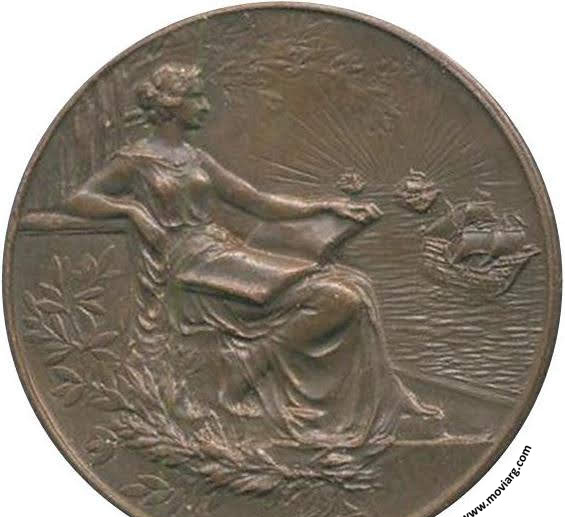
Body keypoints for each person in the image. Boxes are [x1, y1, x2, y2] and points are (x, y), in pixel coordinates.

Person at [65, 62, 441, 450]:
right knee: (338, 298)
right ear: (173, 105)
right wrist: (133, 211)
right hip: (185, 265)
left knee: (354, 286)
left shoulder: (195, 158)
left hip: (218, 251)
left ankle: (384, 398)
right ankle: (246, 370)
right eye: (197, 97)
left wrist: (327, 206)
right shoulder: (135, 160)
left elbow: (258, 202)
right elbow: (79, 198)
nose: (206, 107)